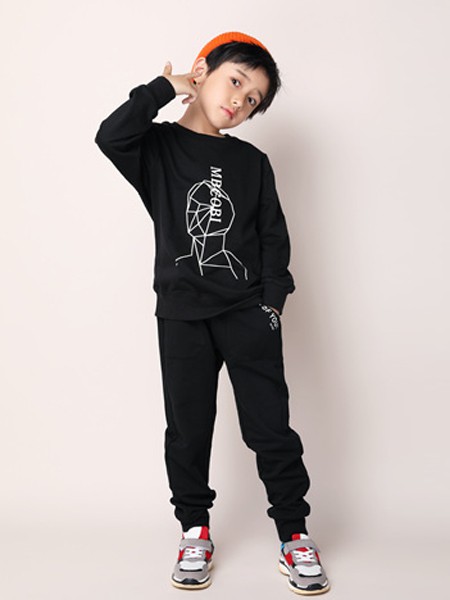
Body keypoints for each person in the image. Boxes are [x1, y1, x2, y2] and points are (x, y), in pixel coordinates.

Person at [94, 31, 330, 595]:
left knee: (270, 427)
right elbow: (110, 134)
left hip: (248, 314)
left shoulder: (252, 162)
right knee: (188, 429)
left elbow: (273, 238)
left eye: (253, 99)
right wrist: (164, 87)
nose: (239, 101)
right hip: (182, 314)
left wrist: (271, 305)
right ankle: (194, 530)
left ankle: (294, 534)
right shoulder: (157, 150)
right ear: (203, 72)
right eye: (235, 82)